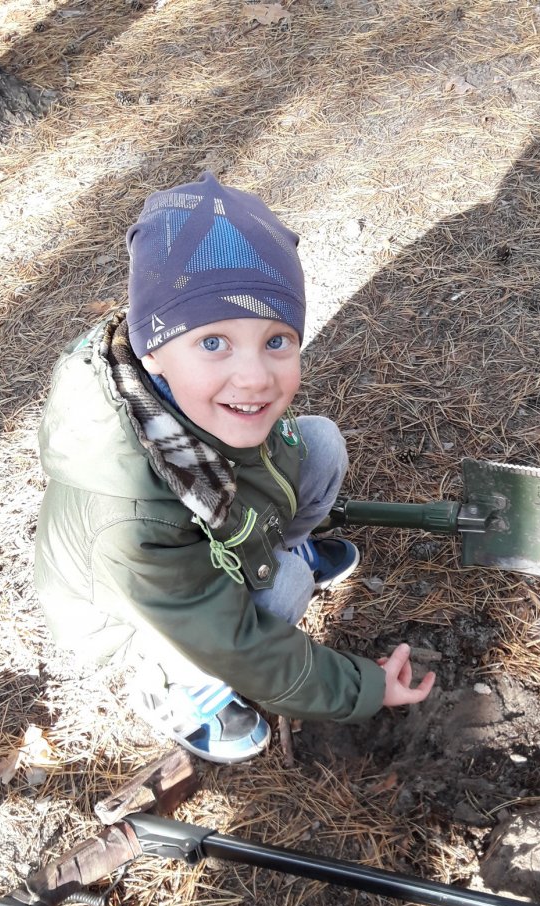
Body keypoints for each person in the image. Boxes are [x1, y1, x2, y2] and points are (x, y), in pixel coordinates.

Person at [34, 172, 435, 763]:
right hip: (138, 621)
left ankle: (276, 551)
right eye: (213, 342)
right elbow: (234, 640)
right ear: (152, 351)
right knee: (285, 591)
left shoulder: (191, 400)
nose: (254, 377)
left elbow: (266, 461)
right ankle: (174, 688)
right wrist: (362, 687)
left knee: (319, 442)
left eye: (276, 341)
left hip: (211, 540)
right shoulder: (130, 515)